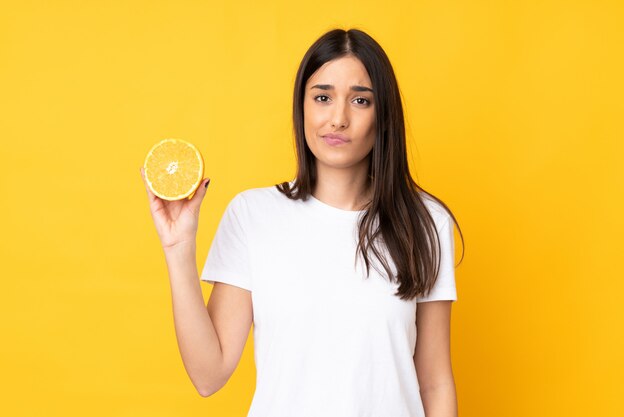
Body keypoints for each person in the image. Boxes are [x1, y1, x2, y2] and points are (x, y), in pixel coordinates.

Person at [141, 27, 465, 417]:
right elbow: (209, 376)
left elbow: (433, 381)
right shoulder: (253, 215)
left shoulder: (425, 221)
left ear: (383, 116)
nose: (338, 118)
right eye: (323, 97)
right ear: (303, 106)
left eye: (360, 100)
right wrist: (178, 250)